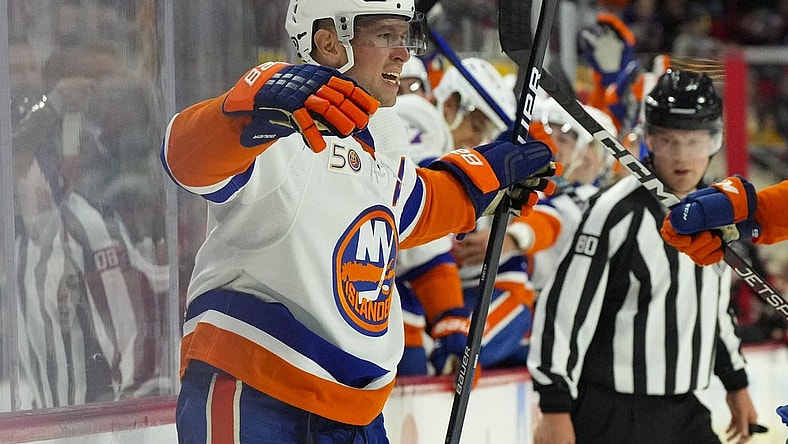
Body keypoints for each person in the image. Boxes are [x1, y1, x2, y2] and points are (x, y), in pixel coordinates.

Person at [160, 0, 556, 442]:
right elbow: (184, 160)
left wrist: (486, 175)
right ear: (329, 42)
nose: (403, 53)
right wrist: (249, 110)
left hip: (357, 415)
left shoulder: (381, 138)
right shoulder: (274, 132)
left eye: (404, 36)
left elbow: (416, 207)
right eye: (386, 36)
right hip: (255, 395)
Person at [527, 69, 760, 444]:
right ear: (650, 140)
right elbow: (566, 309)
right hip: (613, 415)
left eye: (694, 141)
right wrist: (554, 406)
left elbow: (711, 309)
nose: (682, 156)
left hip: (686, 410)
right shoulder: (614, 211)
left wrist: (736, 383)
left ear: (714, 142)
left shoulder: (717, 214)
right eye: (668, 141)